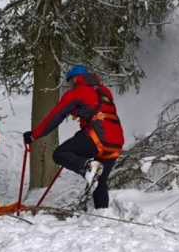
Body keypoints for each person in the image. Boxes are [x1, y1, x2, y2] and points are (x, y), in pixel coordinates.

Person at [23, 64, 124, 209]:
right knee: (100, 181)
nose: (70, 85)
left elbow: (55, 116)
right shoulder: (105, 91)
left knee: (60, 153)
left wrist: (33, 135)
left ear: (76, 79)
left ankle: (87, 166)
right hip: (116, 141)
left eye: (70, 81)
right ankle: (103, 215)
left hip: (97, 137)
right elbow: (95, 108)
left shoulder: (77, 92)